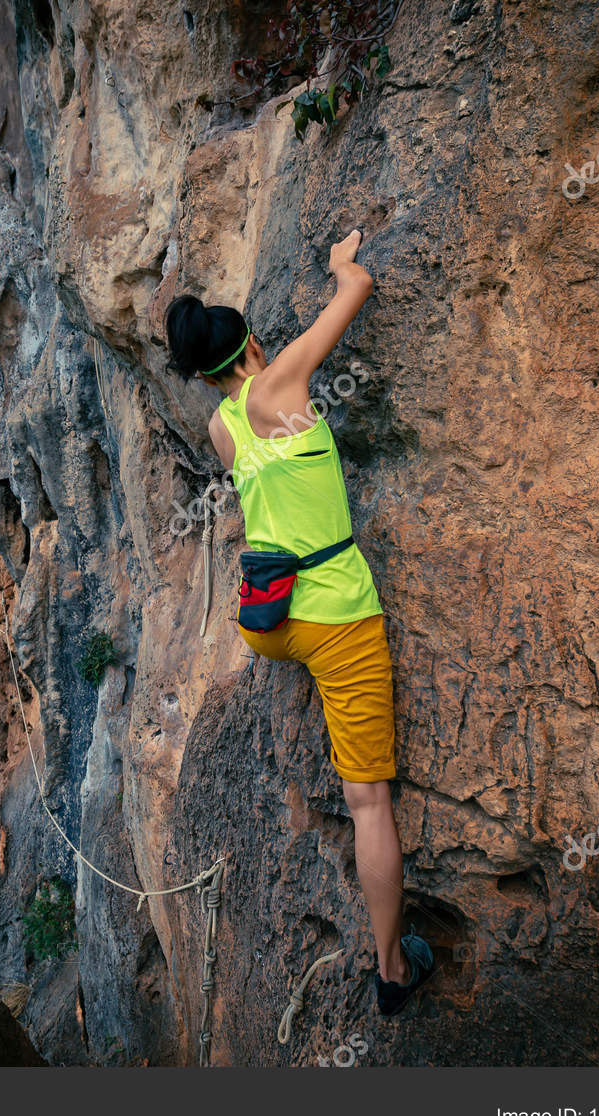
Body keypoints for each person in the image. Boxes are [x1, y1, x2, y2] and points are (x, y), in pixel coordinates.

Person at [163, 229, 433, 1016]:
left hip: (269, 620)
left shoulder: (221, 428)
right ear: (251, 344)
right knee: (369, 804)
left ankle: (386, 957)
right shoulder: (279, 383)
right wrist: (340, 265)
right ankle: (391, 968)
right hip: (336, 613)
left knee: (354, 780)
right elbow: (357, 292)